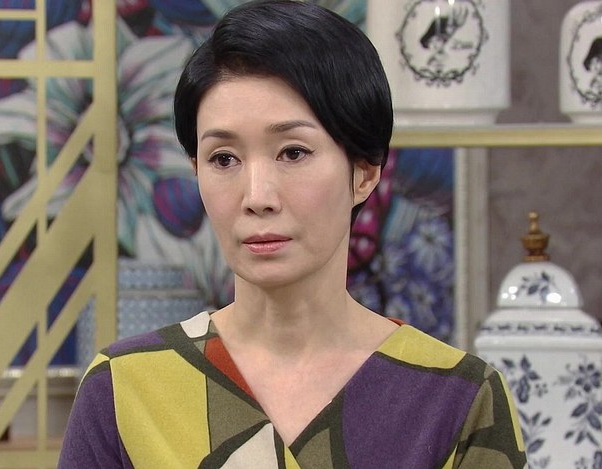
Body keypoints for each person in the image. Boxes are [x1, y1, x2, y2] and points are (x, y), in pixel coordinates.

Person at [58, 1, 527, 467]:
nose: (257, 196)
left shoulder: (458, 399)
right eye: (224, 159)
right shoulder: (123, 391)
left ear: (364, 172)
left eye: (293, 153)